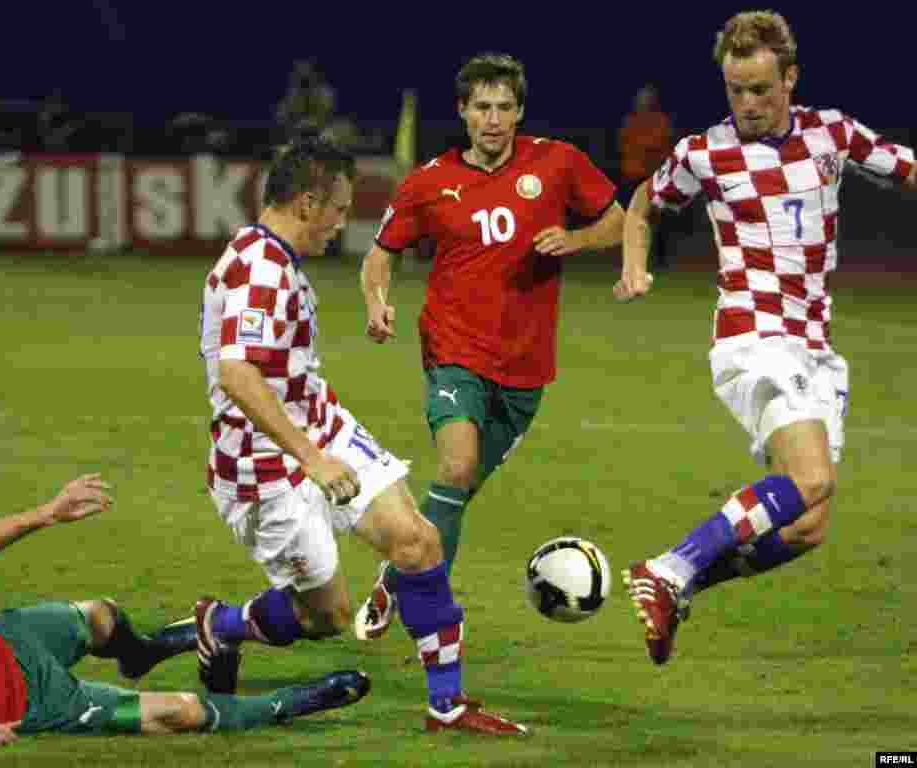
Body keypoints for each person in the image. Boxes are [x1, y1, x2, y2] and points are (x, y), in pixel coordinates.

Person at [192, 134, 526, 735]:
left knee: (417, 542)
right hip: (263, 462)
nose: (343, 225)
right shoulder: (258, 269)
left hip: (318, 427)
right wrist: (313, 460)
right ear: (305, 204)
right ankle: (222, 626)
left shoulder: (275, 260)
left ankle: (446, 705)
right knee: (328, 616)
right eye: (340, 210)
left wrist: (320, 445)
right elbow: (238, 375)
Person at [614, 10, 916, 665]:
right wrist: (634, 262)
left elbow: (906, 168)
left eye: (760, 89)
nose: (747, 104)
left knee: (807, 525)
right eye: (734, 90)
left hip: (814, 346)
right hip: (751, 336)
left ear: (790, 79)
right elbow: (643, 199)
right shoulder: (705, 153)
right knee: (811, 479)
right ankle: (668, 568)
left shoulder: (831, 133)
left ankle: (688, 580)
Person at [356, 53, 624, 640]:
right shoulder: (429, 181)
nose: (494, 119)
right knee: (456, 465)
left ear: (520, 111)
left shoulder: (558, 162)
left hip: (527, 366)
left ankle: (395, 574)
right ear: (463, 112)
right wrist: (377, 300)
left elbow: (619, 220)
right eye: (482, 107)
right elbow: (380, 255)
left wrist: (576, 239)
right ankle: (433, 623)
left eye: (505, 107)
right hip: (454, 347)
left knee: (458, 489)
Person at [0, 475, 369, 745]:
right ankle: (292, 702)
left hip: (5, 643)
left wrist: (46, 514)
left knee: (102, 615)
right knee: (179, 712)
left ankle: (140, 653)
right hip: (30, 703)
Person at [618, 84, 675, 269]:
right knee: (631, 220)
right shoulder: (630, 121)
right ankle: (631, 259)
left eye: (647, 98)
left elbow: (664, 148)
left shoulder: (661, 121)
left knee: (658, 221)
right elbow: (623, 147)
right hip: (632, 177)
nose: (643, 101)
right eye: (641, 98)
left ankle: (659, 260)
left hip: (653, 178)